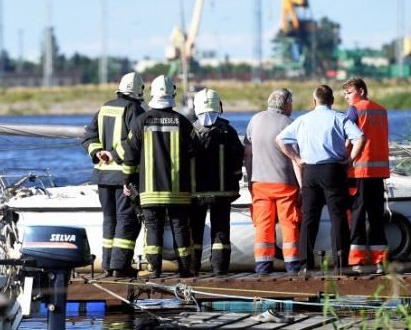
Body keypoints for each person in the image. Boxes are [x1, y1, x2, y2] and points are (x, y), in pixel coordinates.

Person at [276, 85, 365, 272]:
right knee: (338, 217)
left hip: (310, 172)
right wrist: (350, 160)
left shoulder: (302, 120)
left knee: (309, 218)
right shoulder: (339, 118)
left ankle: (305, 264)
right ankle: (341, 264)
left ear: (314, 101)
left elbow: (280, 139)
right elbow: (360, 137)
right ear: (332, 101)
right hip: (333, 171)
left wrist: (297, 158)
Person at [123, 75, 198, 277]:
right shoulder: (183, 122)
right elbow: (196, 150)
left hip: (149, 191)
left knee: (153, 229)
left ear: (152, 94)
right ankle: (185, 269)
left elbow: (129, 154)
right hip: (178, 191)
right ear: (173, 94)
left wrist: (127, 181)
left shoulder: (141, 121)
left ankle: (154, 269)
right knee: (180, 228)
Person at [82, 71, 145, 277]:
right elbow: (134, 142)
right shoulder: (134, 109)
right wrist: (115, 154)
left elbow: (89, 136)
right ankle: (121, 266)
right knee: (126, 219)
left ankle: (108, 264)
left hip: (102, 176)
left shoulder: (104, 108)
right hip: (122, 176)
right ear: (138, 91)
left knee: (109, 220)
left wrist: (97, 151)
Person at [243, 89, 302, 274]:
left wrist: (251, 180)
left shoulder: (255, 120)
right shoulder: (290, 124)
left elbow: (248, 153)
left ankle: (262, 266)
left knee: (263, 225)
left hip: (259, 183)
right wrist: (302, 186)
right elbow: (297, 158)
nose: (291, 107)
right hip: (285, 184)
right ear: (286, 104)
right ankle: (292, 266)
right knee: (289, 224)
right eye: (291, 103)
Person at [189, 88, 244, 276]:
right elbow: (238, 160)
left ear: (196, 107)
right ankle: (220, 269)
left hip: (196, 194)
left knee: (194, 232)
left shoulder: (190, 132)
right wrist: (235, 178)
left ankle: (192, 268)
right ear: (218, 106)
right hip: (223, 193)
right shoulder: (229, 131)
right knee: (221, 231)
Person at [342, 78, 390, 272]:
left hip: (359, 170)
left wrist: (343, 159)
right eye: (345, 94)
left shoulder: (354, 110)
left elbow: (348, 138)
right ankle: (380, 261)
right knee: (377, 216)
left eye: (349, 92)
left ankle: (357, 261)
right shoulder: (381, 110)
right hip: (378, 172)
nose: (346, 97)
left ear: (361, 91)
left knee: (358, 215)